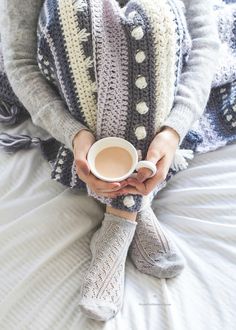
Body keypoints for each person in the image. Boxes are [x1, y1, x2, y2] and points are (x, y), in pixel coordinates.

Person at [0, 0, 220, 321]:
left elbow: (203, 43)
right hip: (74, 98)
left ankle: (120, 217)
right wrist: (73, 134)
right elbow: (20, 61)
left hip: (163, 93)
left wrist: (173, 131)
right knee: (76, 13)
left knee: (149, 20)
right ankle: (132, 208)